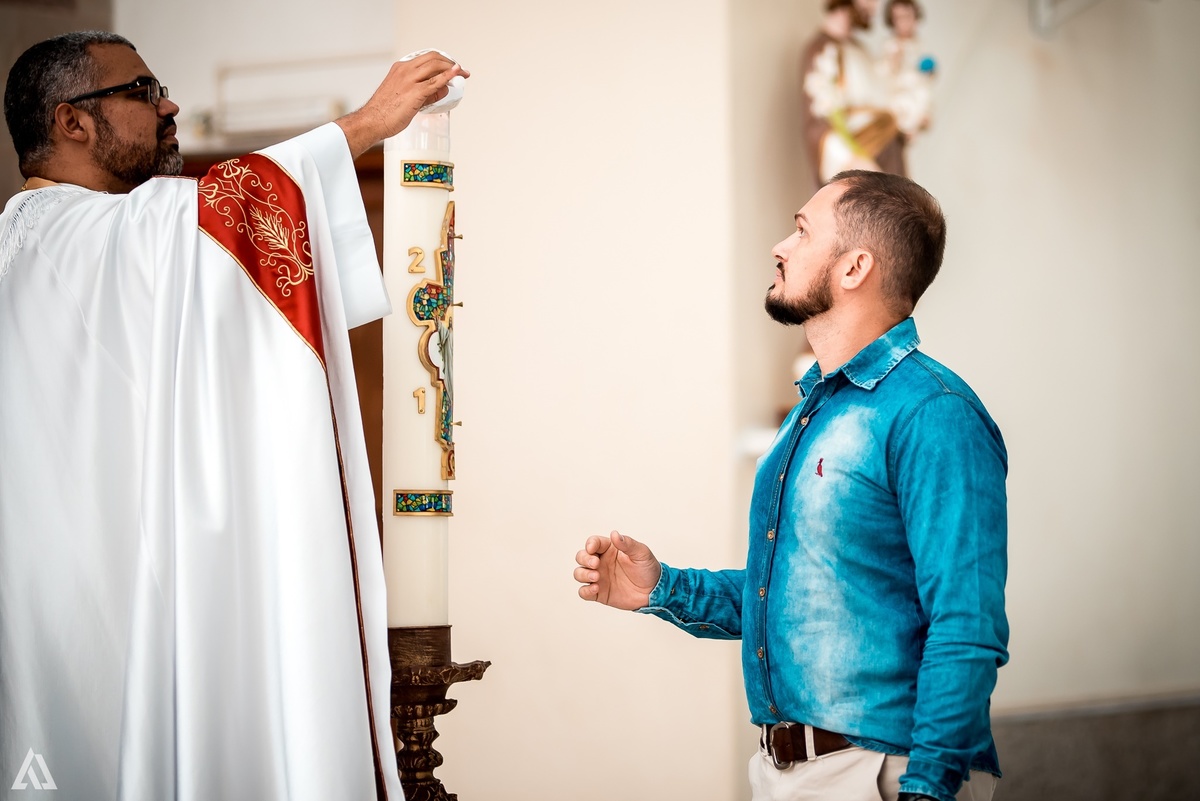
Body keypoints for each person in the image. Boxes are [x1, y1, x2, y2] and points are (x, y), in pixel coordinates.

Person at [0, 31, 466, 800]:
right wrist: (366, 124)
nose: (170, 104)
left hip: (87, 609)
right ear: (70, 122)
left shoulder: (60, 244)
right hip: (97, 619)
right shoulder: (73, 238)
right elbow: (214, 215)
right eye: (143, 92)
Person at [575, 170, 1008, 801]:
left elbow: (966, 625)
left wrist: (928, 791)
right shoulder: (813, 411)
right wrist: (664, 589)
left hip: (883, 772)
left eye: (803, 230)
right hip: (783, 774)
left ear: (855, 266)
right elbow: (800, 602)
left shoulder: (933, 413)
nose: (781, 245)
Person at [800, 0, 907, 188]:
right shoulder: (822, 51)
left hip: (889, 166)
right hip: (866, 178)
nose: (875, 6)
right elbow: (819, 125)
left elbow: (881, 99)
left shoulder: (861, 50)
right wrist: (857, 164)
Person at [877, 0, 935, 141]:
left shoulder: (919, 44)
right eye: (899, 18)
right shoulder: (892, 47)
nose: (904, 23)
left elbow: (923, 82)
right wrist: (893, 62)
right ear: (892, 22)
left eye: (907, 16)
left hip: (919, 103)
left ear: (916, 17)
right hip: (901, 108)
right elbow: (884, 79)